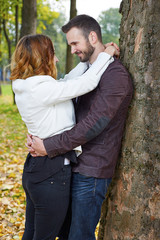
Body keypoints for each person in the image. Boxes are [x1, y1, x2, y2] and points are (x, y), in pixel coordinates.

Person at [27, 15, 133, 240]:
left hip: (92, 171)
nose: (72, 50)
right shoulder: (87, 70)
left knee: (79, 236)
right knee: (65, 234)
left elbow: (92, 125)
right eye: (70, 45)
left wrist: (49, 145)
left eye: (75, 43)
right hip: (71, 166)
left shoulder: (115, 76)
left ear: (92, 37)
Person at [10, 33, 118, 240]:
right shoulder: (41, 88)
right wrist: (108, 54)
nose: (57, 59)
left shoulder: (27, 85)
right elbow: (86, 83)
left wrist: (94, 56)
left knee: (33, 234)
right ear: (42, 58)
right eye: (52, 54)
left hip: (36, 169)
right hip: (51, 171)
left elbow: (68, 80)